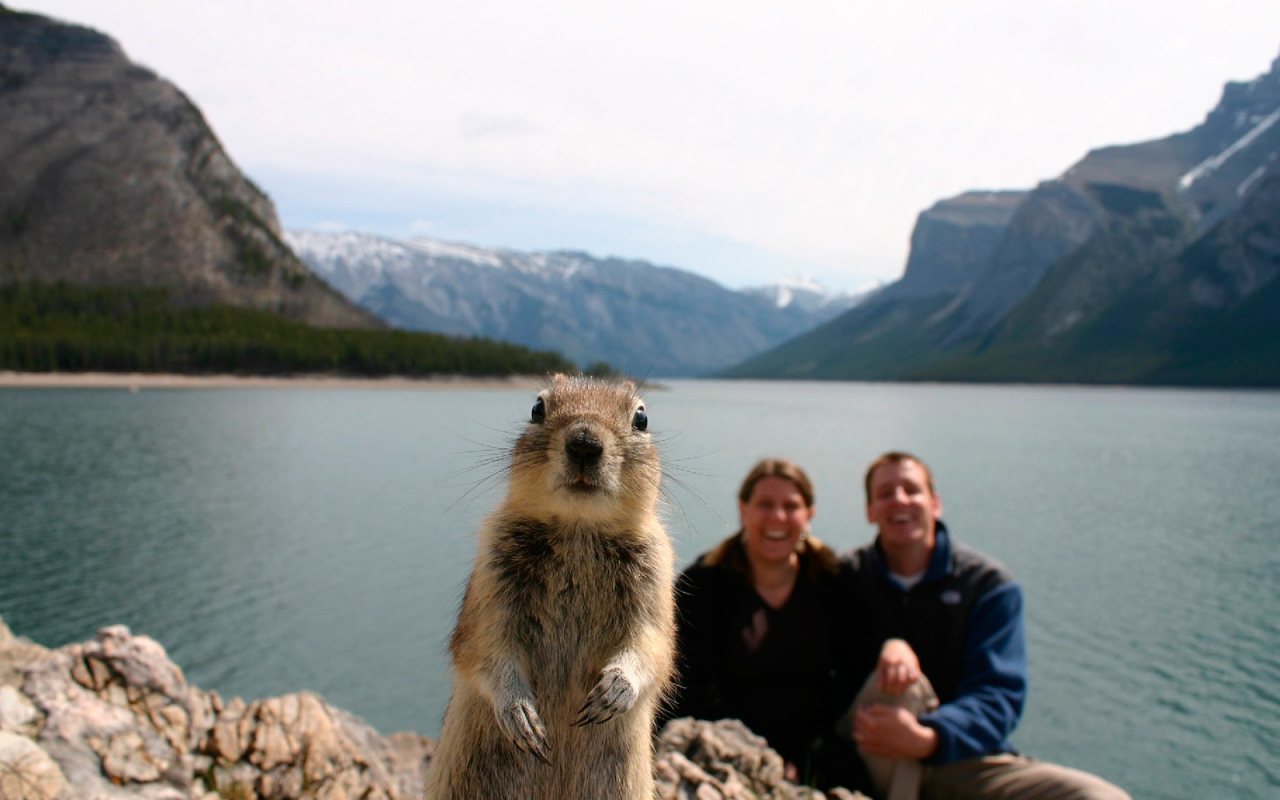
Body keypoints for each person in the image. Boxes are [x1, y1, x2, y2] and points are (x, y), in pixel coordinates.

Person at [841, 451, 1131, 800]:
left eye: (912, 490)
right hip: (870, 749)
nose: (900, 499)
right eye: (885, 493)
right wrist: (890, 646)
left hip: (959, 759)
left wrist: (928, 738)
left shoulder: (987, 586)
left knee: (1098, 797)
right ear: (870, 511)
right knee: (900, 686)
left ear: (935, 504)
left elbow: (998, 696)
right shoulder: (846, 577)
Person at [667, 457, 870, 790]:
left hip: (815, 744)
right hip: (723, 742)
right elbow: (692, 687)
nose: (778, 517)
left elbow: (855, 670)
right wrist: (761, 756)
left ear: (809, 516)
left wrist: (896, 647)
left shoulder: (832, 581)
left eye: (791, 506)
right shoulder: (703, 585)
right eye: (765, 504)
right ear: (743, 510)